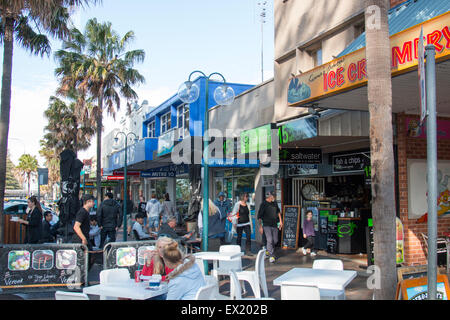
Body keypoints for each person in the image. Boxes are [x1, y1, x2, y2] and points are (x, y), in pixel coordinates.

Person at [257, 191, 283, 263]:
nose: (274, 198)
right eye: (273, 197)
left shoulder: (274, 203)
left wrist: (281, 221)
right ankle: (271, 255)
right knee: (270, 239)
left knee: (275, 240)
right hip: (266, 224)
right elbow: (259, 216)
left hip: (274, 224)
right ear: (269, 197)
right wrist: (260, 226)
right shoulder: (263, 204)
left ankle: (267, 250)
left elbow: (278, 212)